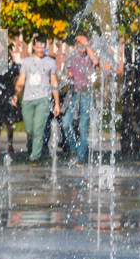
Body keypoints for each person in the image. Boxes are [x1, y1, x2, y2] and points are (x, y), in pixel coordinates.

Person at [12, 35, 60, 163]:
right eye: (38, 47)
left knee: (38, 128)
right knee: (29, 129)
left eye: (43, 47)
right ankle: (35, 149)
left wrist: (57, 103)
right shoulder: (26, 62)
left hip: (43, 99)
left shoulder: (51, 62)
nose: (41, 49)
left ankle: (34, 157)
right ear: (33, 47)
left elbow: (54, 82)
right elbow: (21, 80)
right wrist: (16, 94)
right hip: (27, 100)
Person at [60, 35, 98, 163]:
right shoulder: (71, 58)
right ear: (76, 46)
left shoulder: (89, 58)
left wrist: (87, 44)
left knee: (83, 126)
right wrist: (68, 75)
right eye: (80, 45)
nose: (82, 48)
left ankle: (80, 156)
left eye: (84, 46)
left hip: (86, 94)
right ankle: (74, 149)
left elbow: (96, 62)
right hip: (72, 93)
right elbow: (66, 74)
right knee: (66, 123)